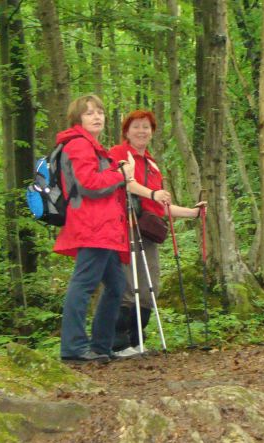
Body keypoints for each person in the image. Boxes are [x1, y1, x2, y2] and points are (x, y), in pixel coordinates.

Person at [54, 95, 167, 363]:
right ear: (77, 118)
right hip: (92, 226)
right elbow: (89, 184)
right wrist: (122, 174)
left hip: (104, 228)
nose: (97, 116)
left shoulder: (93, 146)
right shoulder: (79, 145)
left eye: (100, 112)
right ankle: (73, 348)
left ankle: (102, 346)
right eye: (89, 112)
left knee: (116, 286)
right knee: (83, 284)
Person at [108, 110, 204, 357]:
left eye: (146, 127)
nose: (141, 131)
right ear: (126, 131)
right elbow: (123, 182)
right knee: (130, 284)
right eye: (136, 127)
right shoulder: (119, 154)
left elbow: (161, 206)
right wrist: (152, 194)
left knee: (152, 284)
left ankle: (136, 339)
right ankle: (118, 344)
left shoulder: (152, 165)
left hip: (148, 231)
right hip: (124, 226)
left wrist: (192, 213)